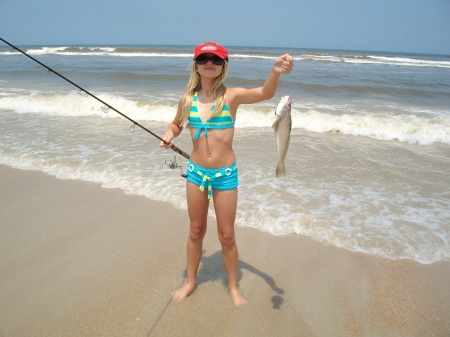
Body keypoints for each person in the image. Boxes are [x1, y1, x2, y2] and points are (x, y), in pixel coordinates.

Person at [160, 42, 293, 306]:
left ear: (224, 66)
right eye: (204, 58)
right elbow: (177, 123)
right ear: (196, 65)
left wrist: (275, 71)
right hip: (197, 174)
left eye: (216, 60)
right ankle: (190, 282)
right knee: (196, 230)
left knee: (227, 235)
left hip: (225, 175)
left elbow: (265, 93)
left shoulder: (231, 96)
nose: (210, 63)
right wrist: (169, 134)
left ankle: (233, 286)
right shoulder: (188, 99)